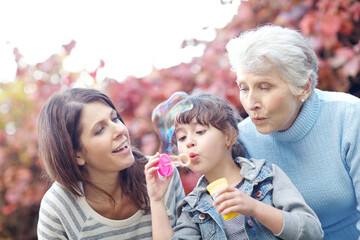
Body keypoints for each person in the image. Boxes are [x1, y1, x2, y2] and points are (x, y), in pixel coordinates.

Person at [226, 24, 360, 240]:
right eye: (244, 88)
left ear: (303, 87)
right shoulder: (241, 138)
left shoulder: (349, 115)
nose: (251, 103)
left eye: (264, 87)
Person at [145, 91, 323, 239]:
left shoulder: (267, 176)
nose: (189, 142)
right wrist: (157, 200)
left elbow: (312, 231)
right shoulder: (192, 208)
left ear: (229, 136)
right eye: (182, 137)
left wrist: (255, 208)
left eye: (199, 131)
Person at [36, 88, 184, 239]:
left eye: (114, 119)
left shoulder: (162, 175)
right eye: (100, 130)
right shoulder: (58, 209)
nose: (120, 129)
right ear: (76, 155)